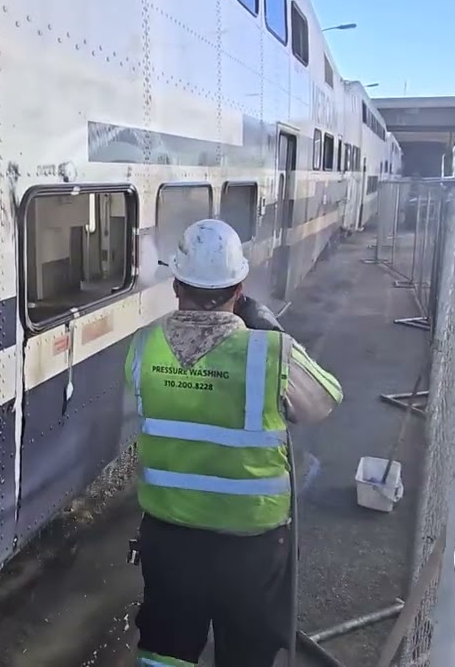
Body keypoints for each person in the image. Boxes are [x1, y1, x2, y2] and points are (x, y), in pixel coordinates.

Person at [126, 219, 343, 667]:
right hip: (251, 548)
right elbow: (323, 401)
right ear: (240, 287)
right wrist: (274, 331)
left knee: (165, 650)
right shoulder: (269, 353)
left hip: (169, 541)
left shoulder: (143, 348)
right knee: (246, 652)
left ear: (177, 285)